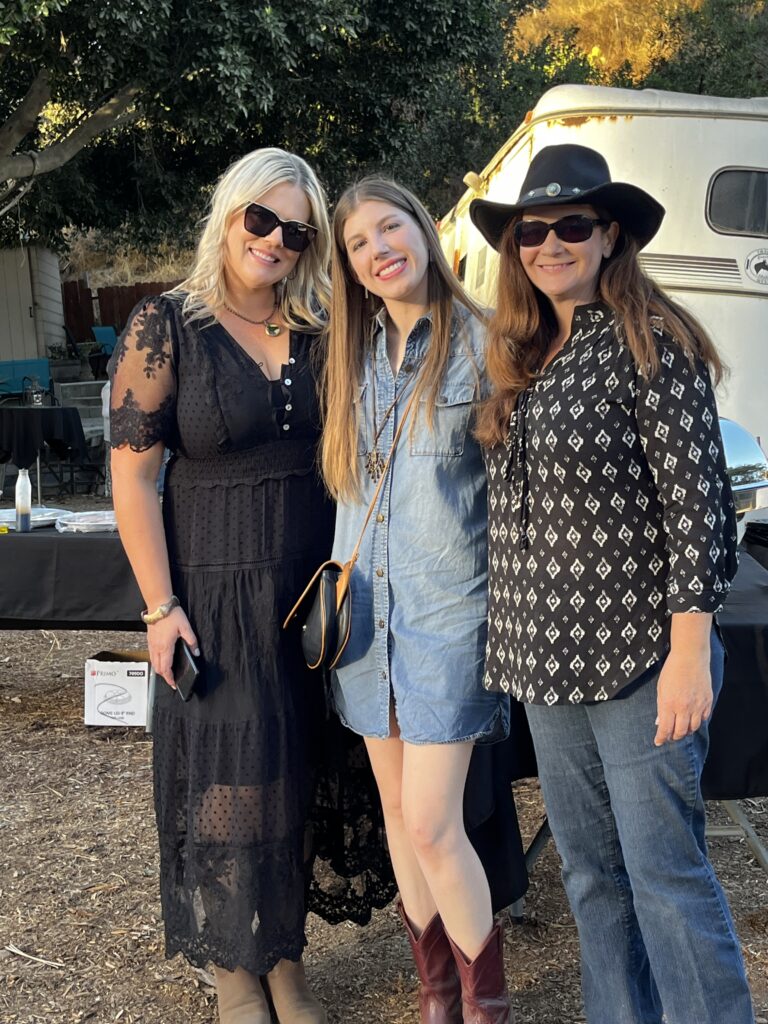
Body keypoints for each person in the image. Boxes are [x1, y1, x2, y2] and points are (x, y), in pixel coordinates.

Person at [471, 144, 755, 1024]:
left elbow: (699, 508)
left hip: (637, 660)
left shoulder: (651, 343)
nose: (548, 243)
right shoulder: (524, 354)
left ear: (610, 235)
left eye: (571, 225)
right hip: (544, 662)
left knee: (665, 872)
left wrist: (690, 650)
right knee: (591, 875)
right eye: (531, 231)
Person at [109, 148, 392, 1024]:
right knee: (229, 784)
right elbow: (131, 477)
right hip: (213, 594)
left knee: (299, 774)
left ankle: (288, 965)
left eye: (293, 230)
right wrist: (160, 607)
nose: (272, 240)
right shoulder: (168, 324)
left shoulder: (320, 328)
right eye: (258, 219)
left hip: (308, 600)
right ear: (229, 215)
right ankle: (238, 967)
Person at [321, 177, 514, 1024]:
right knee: (399, 818)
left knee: (436, 823)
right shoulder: (353, 359)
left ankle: (486, 1005)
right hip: (367, 626)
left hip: (451, 625)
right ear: (351, 267)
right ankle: (436, 992)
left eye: (388, 229)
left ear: (423, 232)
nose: (377, 250)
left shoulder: (485, 345)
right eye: (359, 244)